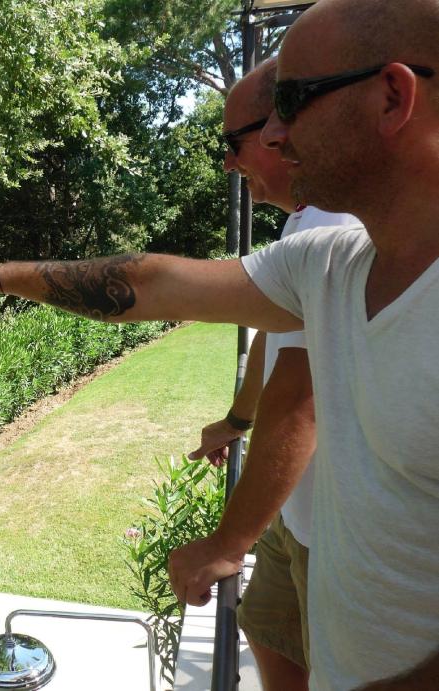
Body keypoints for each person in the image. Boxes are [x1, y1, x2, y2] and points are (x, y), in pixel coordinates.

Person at [0, 0, 439, 686]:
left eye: (292, 101)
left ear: (392, 95)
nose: (273, 135)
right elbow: (150, 283)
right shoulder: (328, 265)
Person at [181, 57, 357, 691]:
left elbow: (303, 398)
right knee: (265, 625)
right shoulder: (303, 222)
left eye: (235, 143)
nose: (230, 162)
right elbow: (274, 343)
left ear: (285, 128)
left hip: (340, 533)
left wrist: (228, 542)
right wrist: (236, 421)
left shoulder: (342, 225)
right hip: (296, 512)